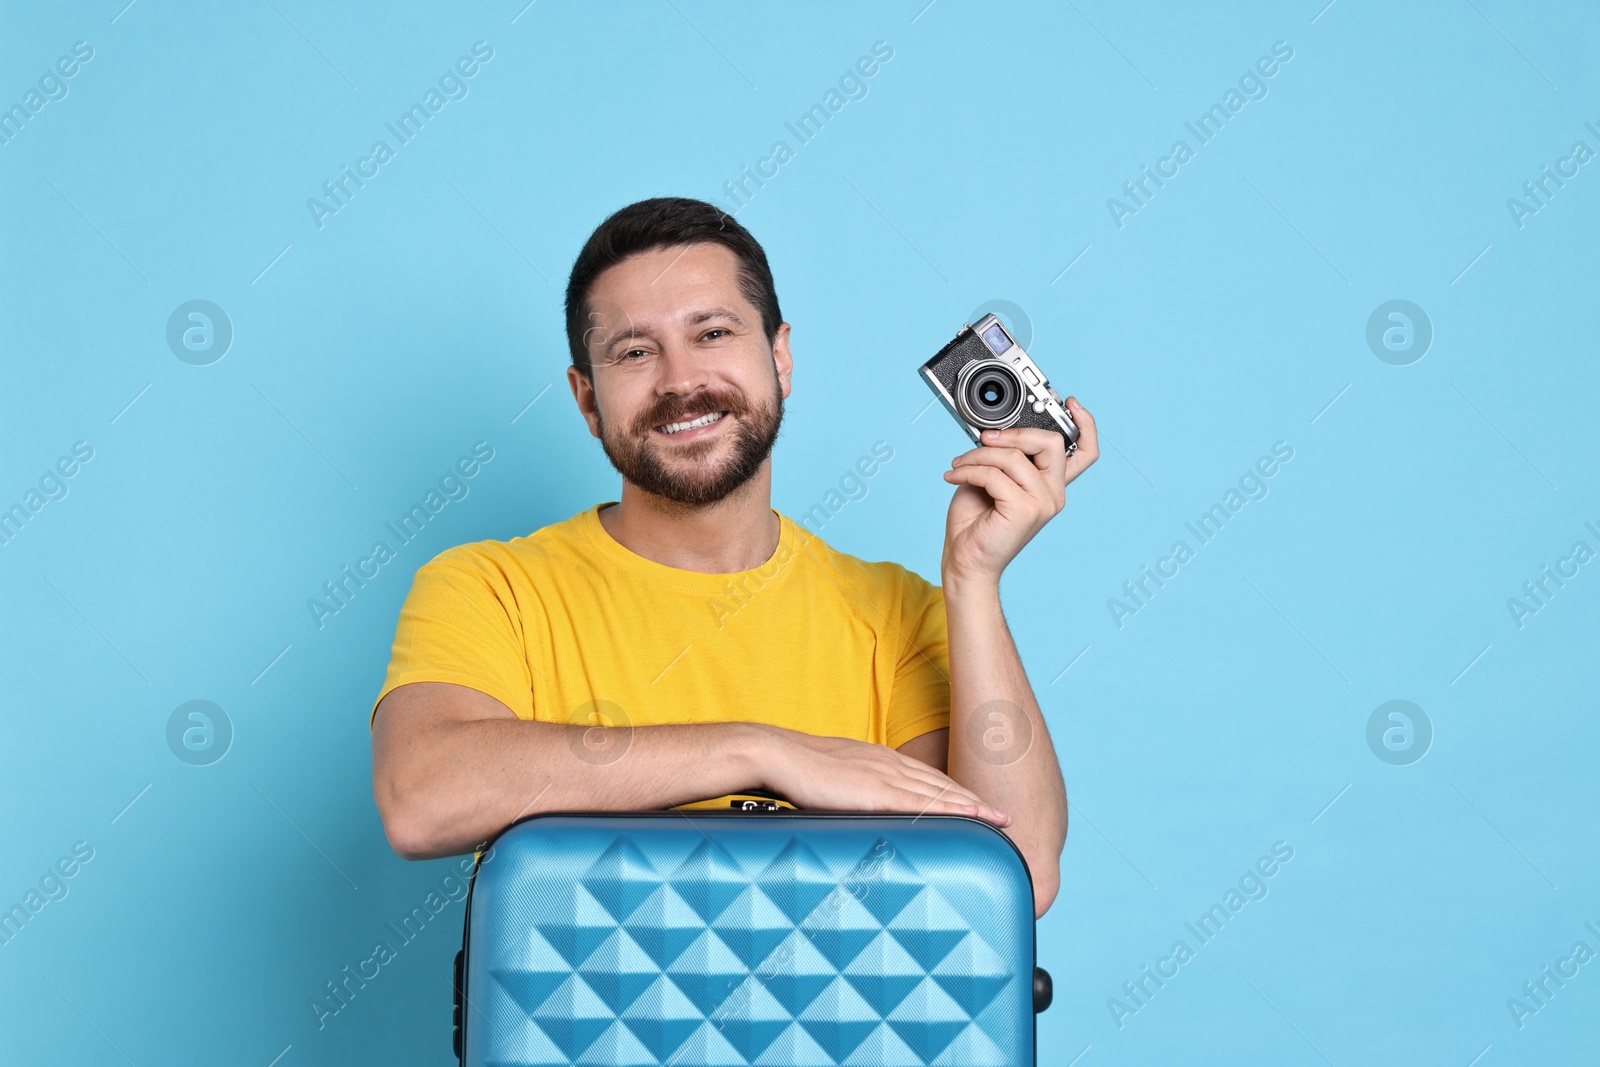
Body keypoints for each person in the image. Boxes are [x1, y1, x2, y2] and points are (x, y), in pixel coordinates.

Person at [368, 197, 1098, 918]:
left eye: (712, 333)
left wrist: (972, 580)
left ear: (779, 358)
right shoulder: (491, 590)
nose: (680, 380)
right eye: (635, 351)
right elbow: (421, 799)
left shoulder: (903, 615)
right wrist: (764, 752)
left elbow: (1017, 878)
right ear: (587, 401)